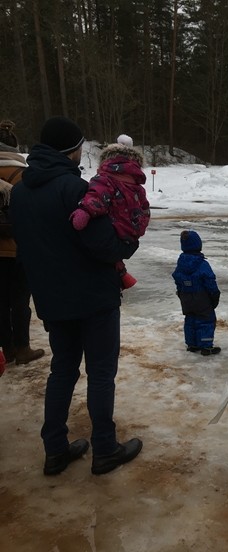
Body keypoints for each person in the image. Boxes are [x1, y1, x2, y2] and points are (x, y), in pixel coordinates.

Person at [10, 116, 143, 475]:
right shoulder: (75, 189)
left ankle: (54, 450)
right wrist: (128, 243)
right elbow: (104, 245)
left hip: (52, 300)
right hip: (94, 299)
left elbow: (25, 247)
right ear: (72, 150)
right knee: (101, 374)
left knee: (62, 371)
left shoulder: (20, 191)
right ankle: (104, 449)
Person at [70, 137, 150, 289]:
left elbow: (96, 196)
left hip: (114, 228)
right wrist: (139, 228)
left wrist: (85, 211)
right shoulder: (138, 186)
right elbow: (145, 209)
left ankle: (120, 273)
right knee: (114, 256)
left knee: (103, 254)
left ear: (107, 162)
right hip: (130, 232)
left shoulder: (104, 180)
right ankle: (121, 274)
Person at [0, 120, 45, 366]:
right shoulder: (22, 174)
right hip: (18, 248)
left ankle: (5, 349)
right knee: (19, 301)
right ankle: (23, 347)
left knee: (0, 301)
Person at [172, 230, 221, 355]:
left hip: (186, 297)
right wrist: (215, 296)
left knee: (190, 318)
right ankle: (206, 345)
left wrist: (180, 292)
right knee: (206, 320)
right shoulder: (202, 264)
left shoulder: (180, 264)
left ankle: (192, 344)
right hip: (202, 297)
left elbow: (177, 277)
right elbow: (210, 281)